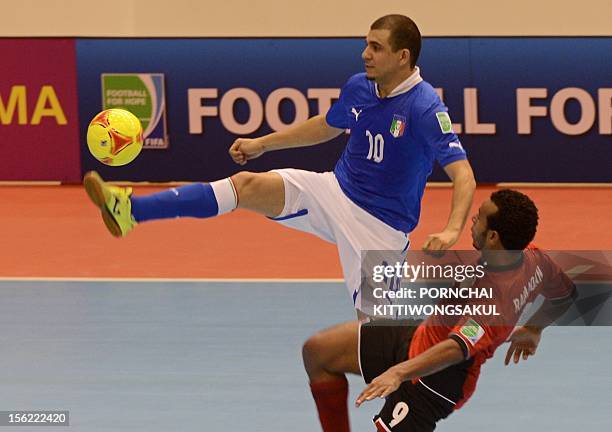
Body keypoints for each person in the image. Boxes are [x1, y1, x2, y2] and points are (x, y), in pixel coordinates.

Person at [84, 14, 475, 311]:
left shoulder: (425, 108)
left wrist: (452, 229)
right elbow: (326, 126)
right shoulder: (360, 86)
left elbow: (463, 175)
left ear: (402, 56)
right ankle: (130, 209)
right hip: (334, 191)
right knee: (247, 185)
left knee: (379, 341)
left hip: (380, 228)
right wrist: (263, 145)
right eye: (366, 44)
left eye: (376, 47)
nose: (365, 53)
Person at [302, 190, 577, 431]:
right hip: (418, 336)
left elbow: (456, 348)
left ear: (493, 236)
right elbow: (566, 294)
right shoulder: (533, 259)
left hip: (436, 380)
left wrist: (399, 372)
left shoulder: (493, 303)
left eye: (478, 218)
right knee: (319, 352)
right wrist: (534, 329)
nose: (472, 222)